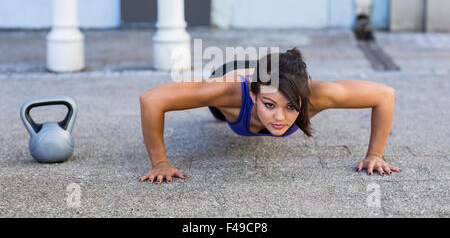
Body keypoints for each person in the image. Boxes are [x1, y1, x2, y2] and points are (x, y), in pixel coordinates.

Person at [138, 47, 400, 184]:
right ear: (254, 97)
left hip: (274, 77)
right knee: (217, 113)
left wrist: (375, 155)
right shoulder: (228, 93)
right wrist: (160, 163)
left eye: (291, 107)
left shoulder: (318, 94)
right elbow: (151, 100)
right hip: (233, 78)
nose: (280, 118)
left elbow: (384, 95)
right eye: (269, 105)